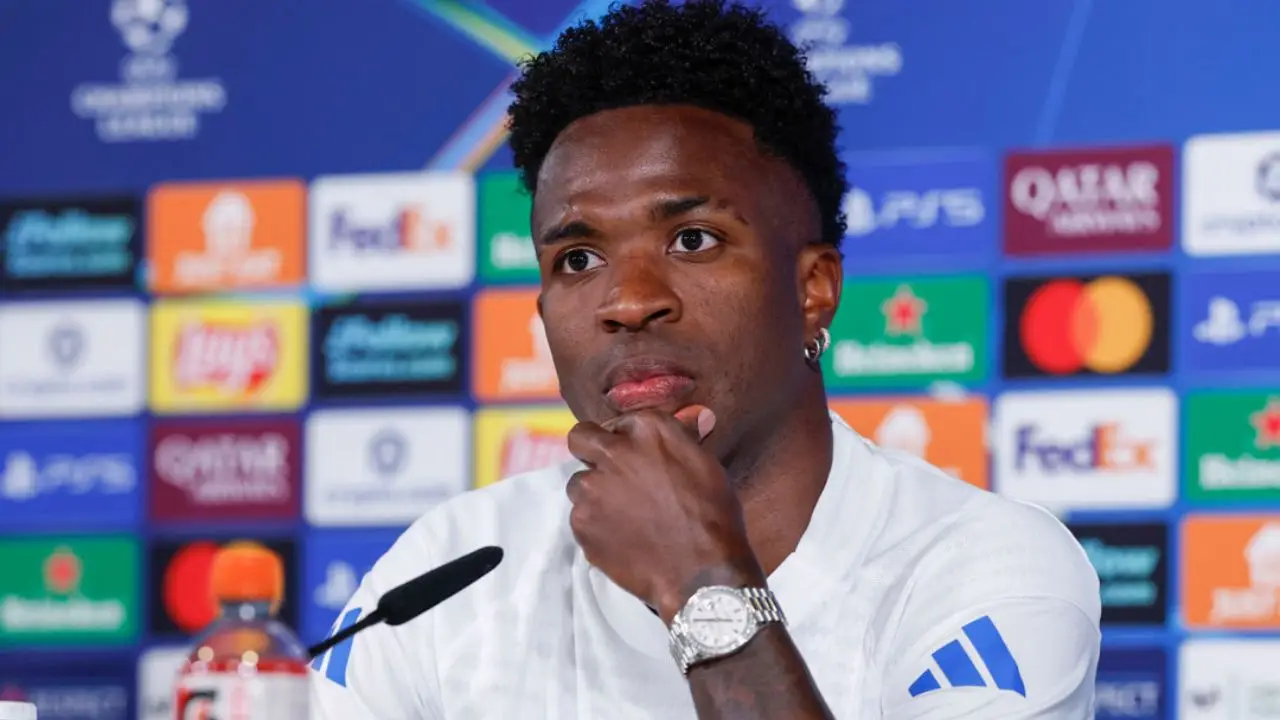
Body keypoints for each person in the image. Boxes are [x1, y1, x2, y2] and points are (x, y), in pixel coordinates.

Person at [309, 1, 1101, 717]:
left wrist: (700, 581)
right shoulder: (448, 572)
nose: (628, 300)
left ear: (814, 290)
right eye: (578, 259)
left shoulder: (984, 567)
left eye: (692, 240)